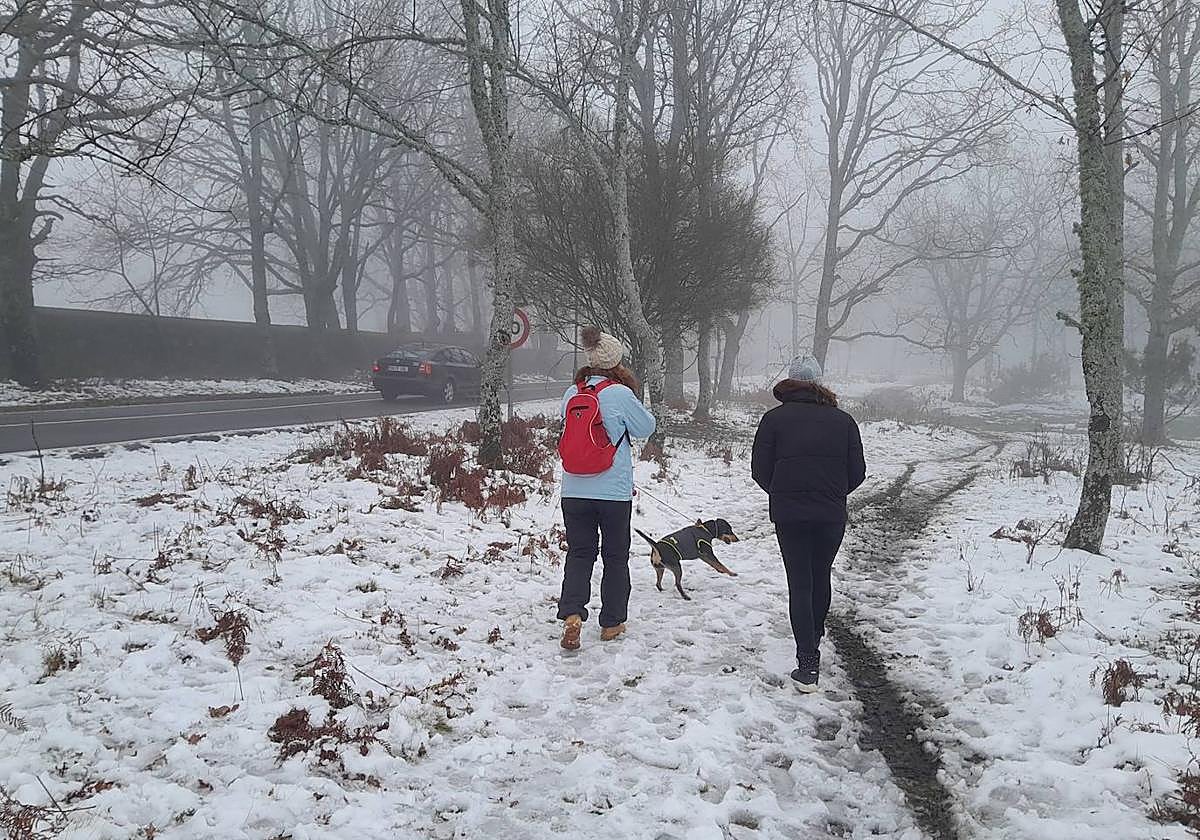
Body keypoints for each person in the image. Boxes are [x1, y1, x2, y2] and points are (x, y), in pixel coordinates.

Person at [751, 355, 866, 692]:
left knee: (800, 583)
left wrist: (783, 491)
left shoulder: (773, 420)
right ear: (819, 382)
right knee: (820, 577)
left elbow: (760, 469)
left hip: (790, 515)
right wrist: (832, 493)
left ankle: (807, 663)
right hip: (831, 515)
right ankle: (813, 635)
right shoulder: (843, 421)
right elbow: (857, 472)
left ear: (790, 382)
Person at [557, 327, 656, 651]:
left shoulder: (573, 393)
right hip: (612, 491)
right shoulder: (620, 394)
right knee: (615, 556)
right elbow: (645, 428)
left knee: (580, 553)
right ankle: (612, 622)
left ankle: (572, 613)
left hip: (574, 488)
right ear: (616, 362)